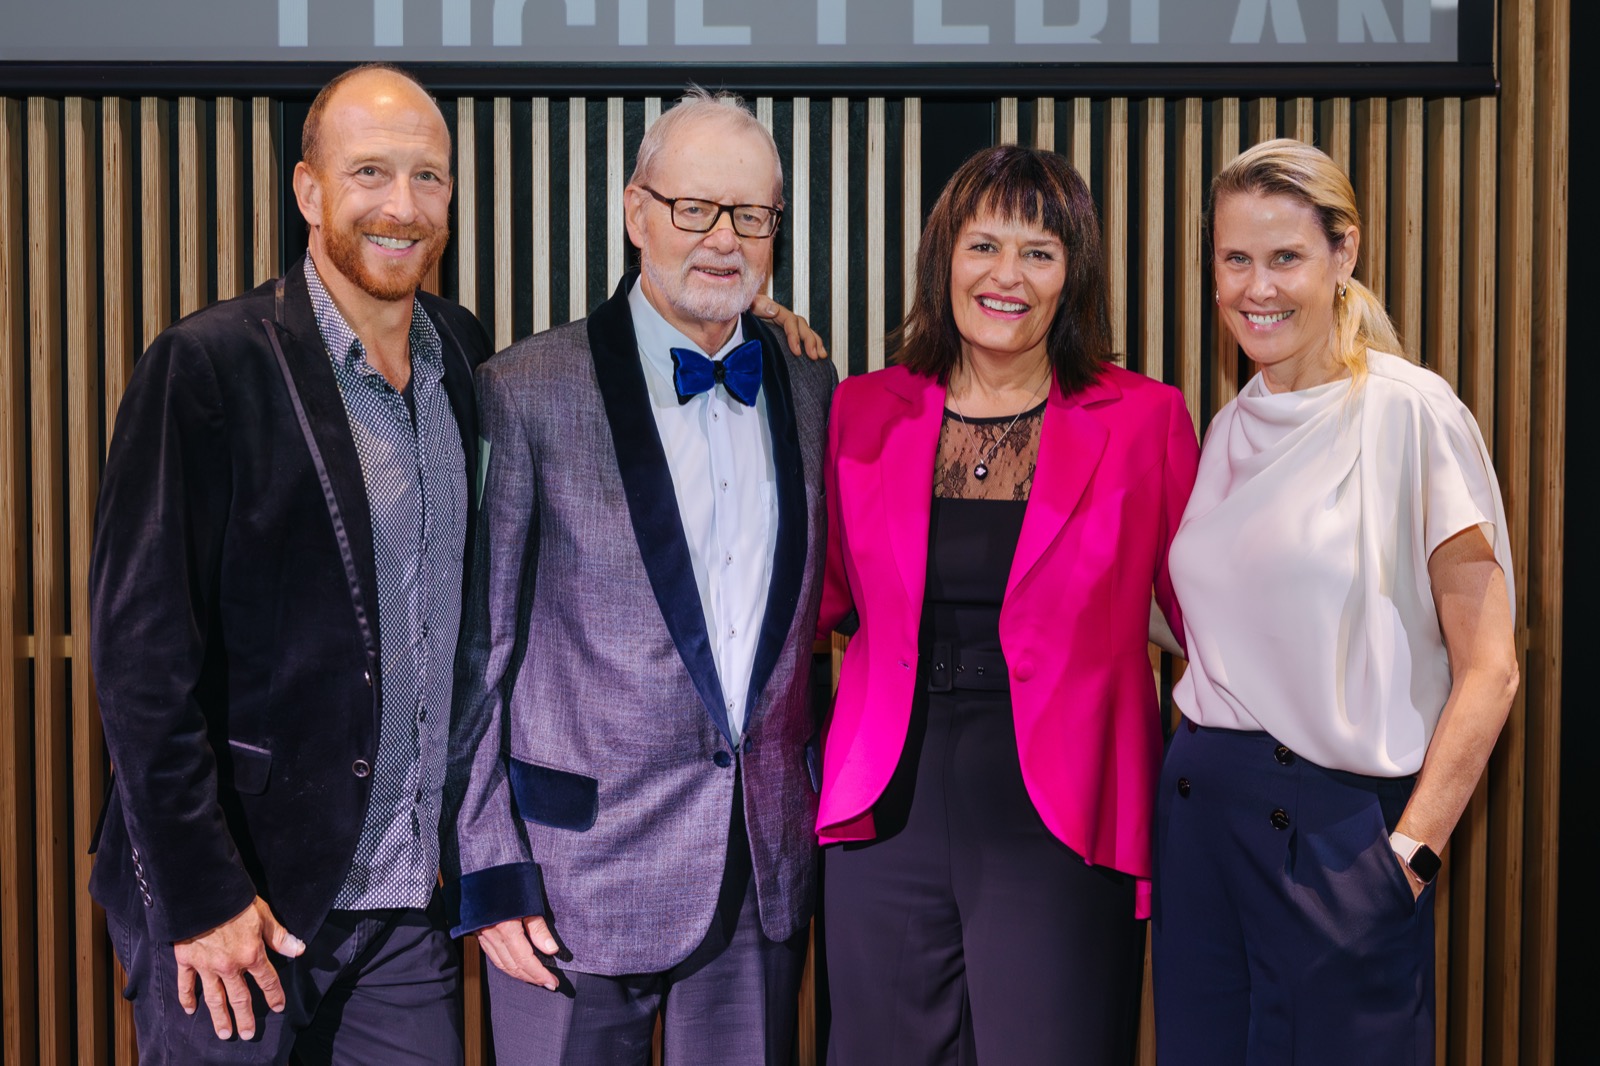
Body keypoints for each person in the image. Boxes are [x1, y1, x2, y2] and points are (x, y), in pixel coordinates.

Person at [87, 64, 821, 1064]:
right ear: (308, 190)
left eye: (427, 179)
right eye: (371, 174)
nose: (402, 206)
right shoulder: (213, 366)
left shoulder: (462, 360)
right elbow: (139, 659)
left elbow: (470, 635)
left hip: (406, 908)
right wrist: (202, 891)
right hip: (251, 891)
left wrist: (770, 335)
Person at [445, 87, 836, 1065]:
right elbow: (474, 651)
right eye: (692, 207)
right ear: (635, 211)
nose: (722, 238)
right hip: (569, 883)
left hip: (756, 874)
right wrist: (491, 867)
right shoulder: (524, 389)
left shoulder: (813, 390)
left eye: (751, 215)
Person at [814, 144, 1199, 1064]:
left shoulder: (1146, 420)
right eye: (984, 244)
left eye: (1040, 251)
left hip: (1065, 814)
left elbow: (1205, 621)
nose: (1007, 276)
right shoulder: (862, 410)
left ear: (1075, 275)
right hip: (887, 805)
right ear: (942, 256)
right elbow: (824, 598)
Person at [1151, 138, 1518, 1065]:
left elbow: (1492, 667)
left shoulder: (1411, 412)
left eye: (1286, 258)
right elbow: (1215, 630)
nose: (1255, 288)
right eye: (1236, 260)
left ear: (1343, 253)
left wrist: (1412, 857)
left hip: (1334, 838)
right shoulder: (1232, 422)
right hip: (1200, 819)